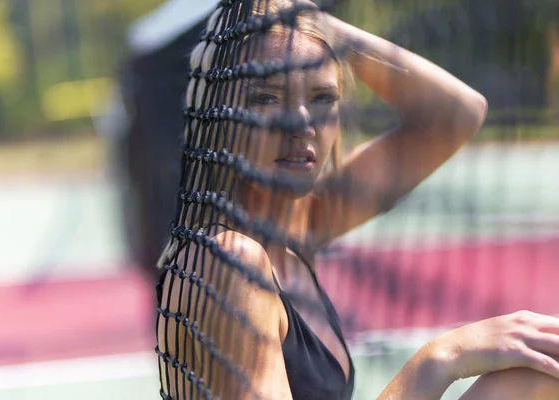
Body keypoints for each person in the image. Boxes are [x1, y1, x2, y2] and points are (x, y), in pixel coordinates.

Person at [156, 1, 559, 399]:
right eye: (267, 97)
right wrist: (439, 358)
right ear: (221, 115)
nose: (301, 123)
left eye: (322, 98)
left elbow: (458, 113)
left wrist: (316, 23)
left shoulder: (300, 228)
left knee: (536, 374)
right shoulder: (226, 264)